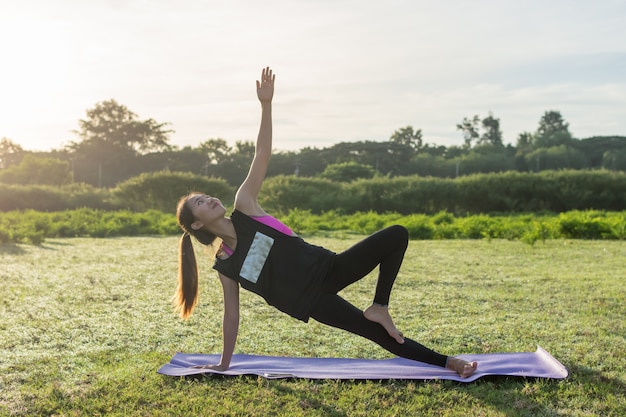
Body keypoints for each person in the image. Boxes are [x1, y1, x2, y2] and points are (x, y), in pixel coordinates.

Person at [173, 67, 477, 378]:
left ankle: (380, 306)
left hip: (329, 268)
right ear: (197, 225)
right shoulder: (226, 264)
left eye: (205, 195)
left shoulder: (245, 206)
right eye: (200, 202)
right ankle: (449, 363)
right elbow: (231, 316)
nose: (209, 198)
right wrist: (224, 363)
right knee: (373, 333)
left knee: (397, 235)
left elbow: (262, 153)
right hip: (311, 301)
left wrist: (266, 105)